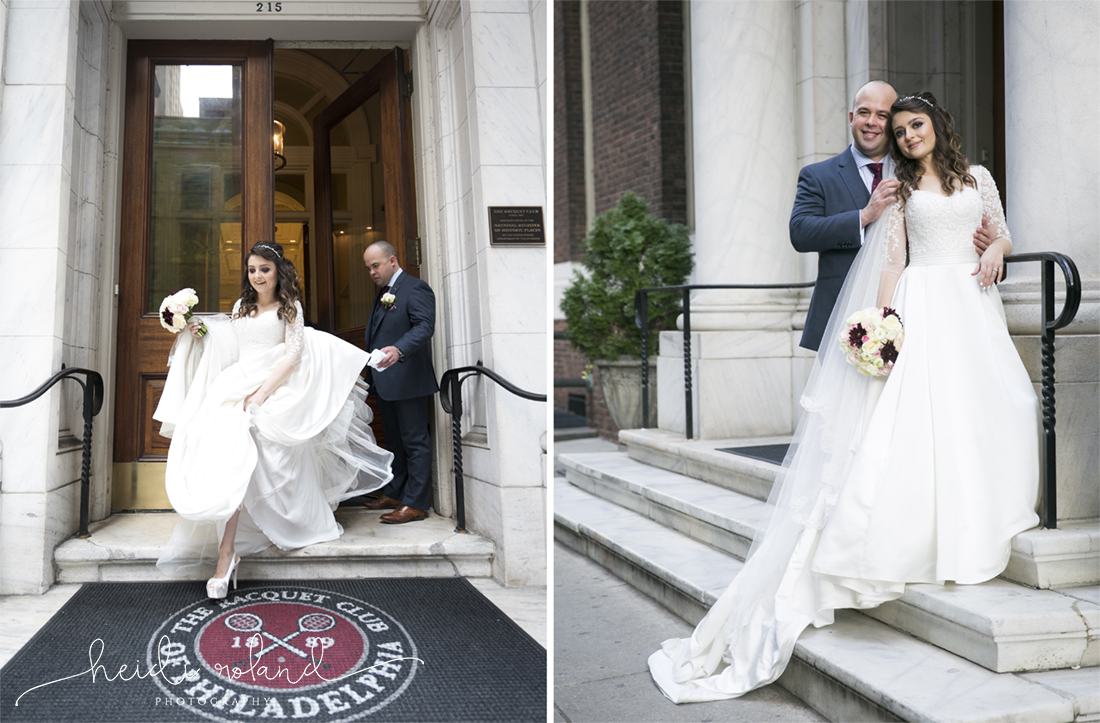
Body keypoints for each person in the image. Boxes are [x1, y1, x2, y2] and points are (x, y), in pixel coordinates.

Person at [648, 91, 1040, 702]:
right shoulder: (898, 191)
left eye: (914, 124)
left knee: (993, 410)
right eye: (898, 126)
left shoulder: (978, 177)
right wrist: (882, 326)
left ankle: (981, 515)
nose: (906, 134)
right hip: (922, 308)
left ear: (936, 124)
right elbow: (890, 261)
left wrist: (994, 248)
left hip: (973, 309)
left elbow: (1004, 235)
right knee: (916, 425)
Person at [154, 242, 394, 599]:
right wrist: (199, 331)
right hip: (238, 380)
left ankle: (275, 524)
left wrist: (262, 393)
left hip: (276, 383)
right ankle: (227, 552)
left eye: (264, 269)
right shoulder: (241, 306)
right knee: (227, 448)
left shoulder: (289, 307)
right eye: (252, 270)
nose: (257, 276)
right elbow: (229, 343)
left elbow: (293, 357)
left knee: (264, 443)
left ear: (277, 271)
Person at [790, 80, 901, 351]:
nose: (871, 122)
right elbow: (800, 232)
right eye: (864, 112)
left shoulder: (912, 172)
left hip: (903, 310)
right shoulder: (818, 175)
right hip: (841, 321)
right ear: (852, 118)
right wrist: (862, 217)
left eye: (882, 115)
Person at [359, 241, 439, 524]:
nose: (371, 272)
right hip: (385, 382)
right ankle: (395, 493)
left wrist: (399, 349)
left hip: (408, 380)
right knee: (394, 441)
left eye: (376, 265)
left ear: (392, 260)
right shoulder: (384, 293)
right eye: (368, 267)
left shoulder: (414, 287)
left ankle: (416, 503)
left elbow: (424, 326)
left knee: (415, 441)